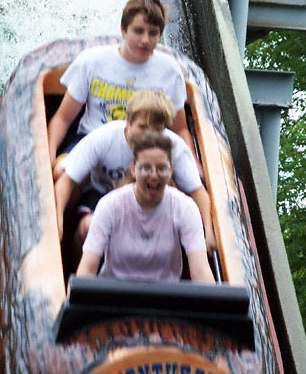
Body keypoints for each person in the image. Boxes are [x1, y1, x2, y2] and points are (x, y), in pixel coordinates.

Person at [48, 0, 199, 179]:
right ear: (123, 30)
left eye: (153, 33)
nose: (145, 40)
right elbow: (63, 118)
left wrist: (195, 165)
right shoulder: (92, 61)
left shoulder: (170, 71)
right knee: (61, 172)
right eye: (138, 31)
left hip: (146, 146)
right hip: (90, 139)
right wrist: (49, 156)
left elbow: (180, 128)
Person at [55, 89, 216, 253]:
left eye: (156, 129)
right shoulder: (104, 138)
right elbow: (67, 180)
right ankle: (75, 270)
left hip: (149, 203)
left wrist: (208, 231)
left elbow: (198, 192)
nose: (148, 135)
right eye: (142, 127)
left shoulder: (174, 147)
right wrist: (58, 219)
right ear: (128, 121)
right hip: (102, 194)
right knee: (88, 227)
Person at [77, 132, 214, 284]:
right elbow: (87, 269)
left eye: (162, 168)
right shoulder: (110, 205)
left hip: (165, 297)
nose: (154, 176)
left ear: (171, 170)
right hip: (115, 294)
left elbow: (201, 271)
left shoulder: (185, 207)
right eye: (145, 168)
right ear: (133, 169)